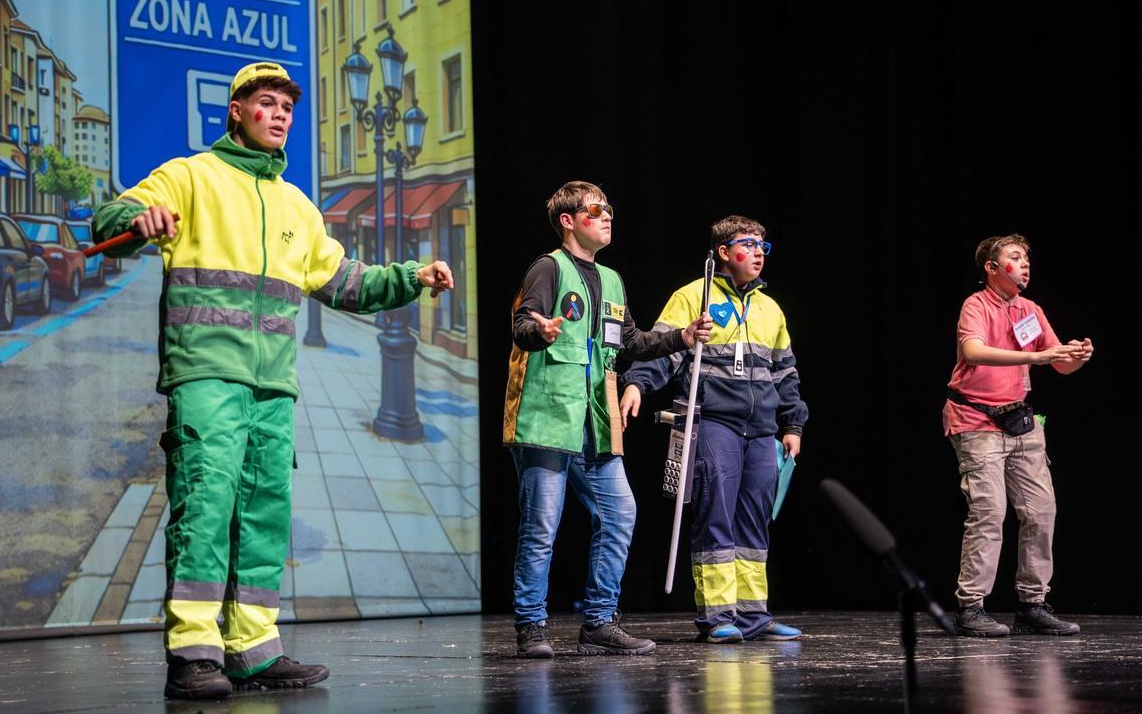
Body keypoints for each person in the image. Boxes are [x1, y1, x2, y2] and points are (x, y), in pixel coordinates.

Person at [93, 62, 454, 699]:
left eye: (287, 106)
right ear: (237, 111)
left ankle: (254, 650)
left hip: (272, 386)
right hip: (206, 373)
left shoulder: (297, 207)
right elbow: (112, 220)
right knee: (205, 507)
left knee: (264, 513)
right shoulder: (191, 177)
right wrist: (136, 223)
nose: (281, 114)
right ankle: (192, 653)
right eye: (267, 103)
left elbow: (344, 283)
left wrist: (411, 278)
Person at [504, 181, 712, 658]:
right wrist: (540, 328)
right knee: (541, 527)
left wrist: (682, 336)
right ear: (568, 220)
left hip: (596, 421)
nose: (607, 217)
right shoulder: (547, 268)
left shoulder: (613, 280)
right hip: (548, 418)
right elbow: (522, 326)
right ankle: (531, 627)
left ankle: (599, 622)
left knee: (620, 514)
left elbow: (631, 341)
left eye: (609, 210)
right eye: (597, 211)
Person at [620, 215, 807, 644]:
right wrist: (636, 383)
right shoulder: (693, 296)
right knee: (716, 516)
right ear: (724, 252)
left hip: (760, 431)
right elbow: (664, 350)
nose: (758, 252)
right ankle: (718, 615)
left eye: (764, 245)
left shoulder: (769, 308)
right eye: (748, 244)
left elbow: (785, 373)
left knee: (755, 522)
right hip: (714, 422)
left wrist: (792, 423)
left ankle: (753, 614)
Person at [943, 234, 1092, 638]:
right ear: (992, 268)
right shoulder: (975, 305)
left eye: (1026, 257)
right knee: (989, 513)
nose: (1025, 264)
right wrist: (1038, 356)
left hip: (1021, 422)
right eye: (1014, 257)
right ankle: (971, 606)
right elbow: (973, 352)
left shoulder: (1030, 309)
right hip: (976, 421)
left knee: (1041, 511)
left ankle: (1032, 604)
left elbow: (1058, 364)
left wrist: (1074, 358)